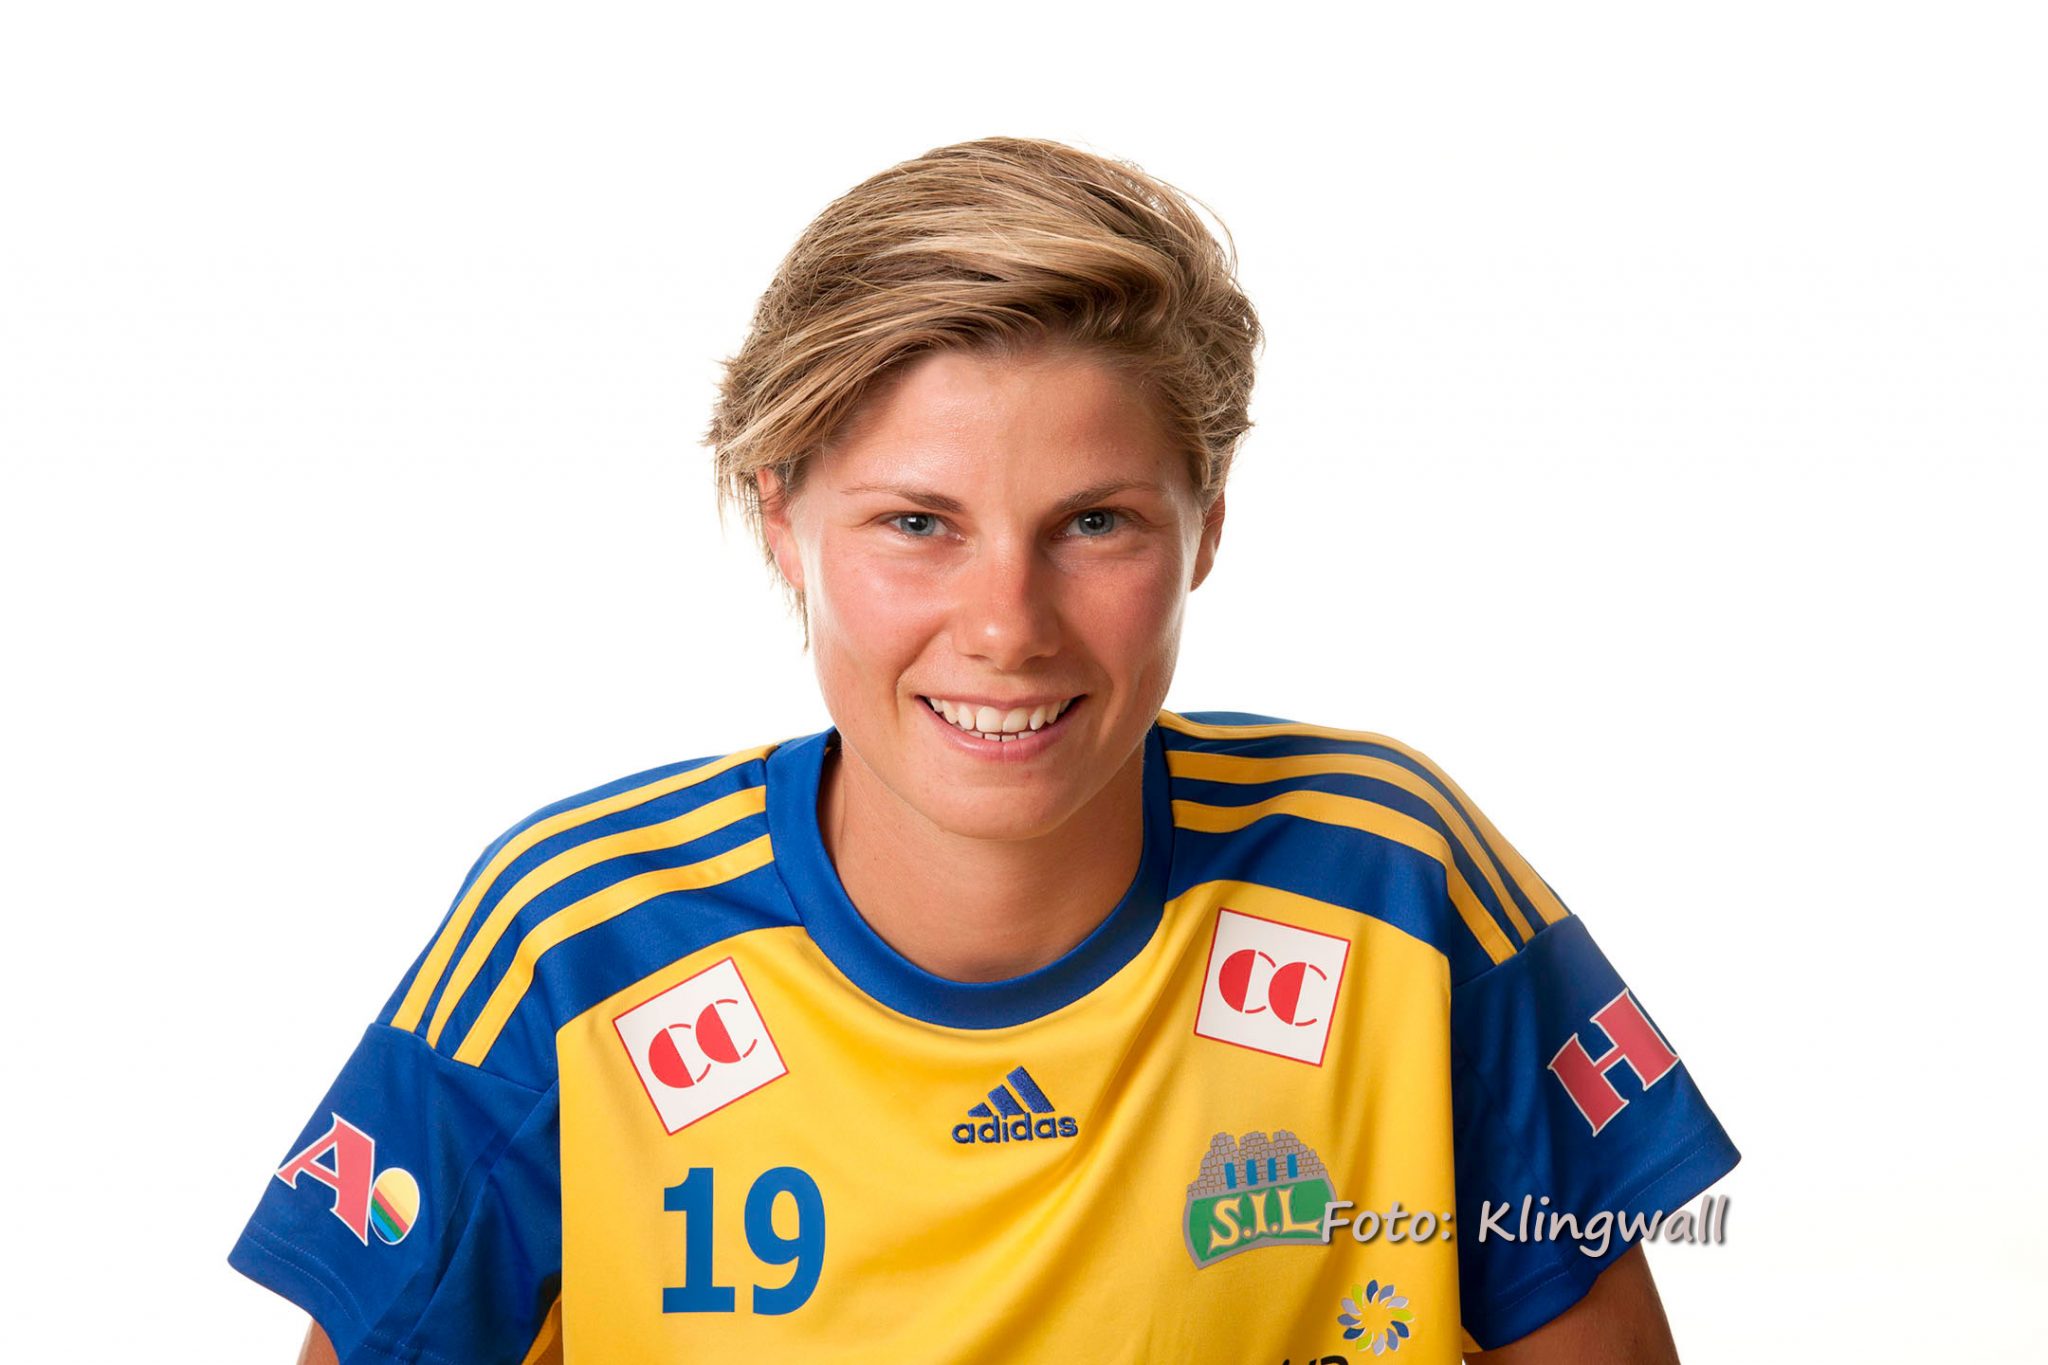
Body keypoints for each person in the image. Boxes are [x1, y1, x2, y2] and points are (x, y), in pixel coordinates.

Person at [232, 136, 1738, 1364]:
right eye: (917, 523)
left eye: (1096, 522)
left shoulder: (1393, 877)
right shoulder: (574, 943)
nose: (1007, 626)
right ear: (782, 522)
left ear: (1206, 529)